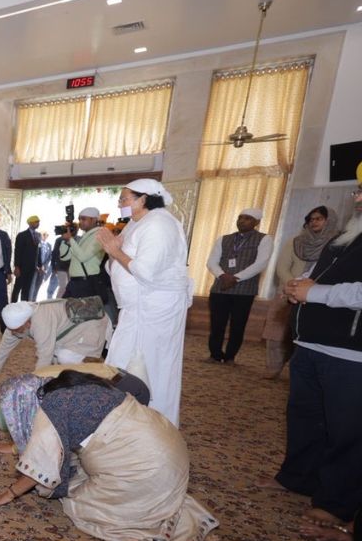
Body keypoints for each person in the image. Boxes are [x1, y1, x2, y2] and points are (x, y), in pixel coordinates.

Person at [0, 370, 218, 541]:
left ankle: (172, 525)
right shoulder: (68, 383)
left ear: (21, 406)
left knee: (82, 503)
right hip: (169, 444)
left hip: (149, 464)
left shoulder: (51, 406)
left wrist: (9, 494)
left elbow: (40, 465)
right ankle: (170, 507)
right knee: (83, 471)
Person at [262, 185, 362, 532]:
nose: (358, 200)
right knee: (305, 418)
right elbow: (315, 275)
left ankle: (336, 503)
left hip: (351, 352)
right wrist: (298, 285)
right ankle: (298, 477)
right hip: (311, 344)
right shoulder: (343, 239)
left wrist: (314, 292)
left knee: (346, 430)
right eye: (359, 192)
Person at [93, 179, 192, 427]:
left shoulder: (160, 224)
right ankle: (121, 424)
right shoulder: (136, 224)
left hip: (154, 311)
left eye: (124, 198)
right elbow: (114, 265)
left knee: (153, 368)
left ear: (143, 199)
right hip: (134, 310)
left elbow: (146, 272)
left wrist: (115, 252)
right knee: (121, 365)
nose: (120, 204)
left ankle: (155, 426)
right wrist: (112, 252)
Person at [262, 206, 337, 378]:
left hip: (317, 296)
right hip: (287, 292)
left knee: (305, 334)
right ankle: (273, 369)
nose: (314, 222)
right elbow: (282, 267)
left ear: (329, 220)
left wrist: (307, 289)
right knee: (276, 334)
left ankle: (300, 372)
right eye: (311, 219)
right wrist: (294, 285)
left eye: (319, 218)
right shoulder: (295, 241)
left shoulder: (337, 244)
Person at [0, 299, 108, 385]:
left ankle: (92, 381)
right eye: (11, 330)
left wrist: (34, 384)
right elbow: (4, 347)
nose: (13, 333)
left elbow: (45, 355)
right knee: (56, 354)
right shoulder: (15, 323)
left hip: (91, 324)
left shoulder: (40, 321)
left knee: (64, 357)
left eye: (16, 330)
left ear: (27, 322)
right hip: (68, 328)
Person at [205, 208, 273, 365]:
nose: (242, 221)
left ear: (256, 222)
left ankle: (230, 357)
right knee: (217, 323)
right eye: (240, 217)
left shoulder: (264, 239)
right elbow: (212, 262)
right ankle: (215, 354)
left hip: (244, 290)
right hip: (220, 288)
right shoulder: (224, 239)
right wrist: (222, 276)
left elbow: (261, 263)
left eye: (247, 218)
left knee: (238, 325)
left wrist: (236, 278)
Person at [59, 207, 107, 301]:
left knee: (82, 314)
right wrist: (66, 241)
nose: (80, 222)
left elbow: (83, 257)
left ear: (94, 220)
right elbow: (64, 257)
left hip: (86, 283)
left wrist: (70, 240)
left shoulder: (99, 234)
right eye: (79, 219)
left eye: (84, 219)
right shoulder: (85, 235)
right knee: (65, 310)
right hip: (75, 282)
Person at [11, 215, 42, 303]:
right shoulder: (22, 235)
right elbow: (17, 251)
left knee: (27, 289)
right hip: (22, 267)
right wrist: (17, 266)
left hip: (32, 268)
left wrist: (39, 265)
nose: (38, 224)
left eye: (38, 222)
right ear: (30, 223)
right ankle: (13, 306)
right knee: (18, 287)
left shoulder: (38, 235)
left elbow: (38, 252)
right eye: (36, 222)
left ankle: (23, 307)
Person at [49, 234, 69, 299]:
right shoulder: (59, 240)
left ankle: (60, 302)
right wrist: (53, 266)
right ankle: (57, 302)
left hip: (70, 268)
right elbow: (54, 253)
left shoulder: (73, 239)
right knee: (63, 287)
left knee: (66, 287)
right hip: (61, 267)